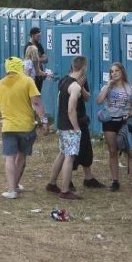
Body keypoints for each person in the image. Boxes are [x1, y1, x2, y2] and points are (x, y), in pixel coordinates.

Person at [0, 56, 49, 199]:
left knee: (9, 158)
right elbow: (36, 103)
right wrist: (44, 121)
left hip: (8, 126)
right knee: (21, 157)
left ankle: (11, 190)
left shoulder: (0, 84)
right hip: (26, 126)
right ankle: (15, 184)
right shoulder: (28, 81)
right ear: (19, 67)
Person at [45, 56, 89, 200]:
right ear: (83, 68)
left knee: (62, 153)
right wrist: (76, 128)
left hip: (62, 123)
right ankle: (65, 190)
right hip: (70, 126)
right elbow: (71, 109)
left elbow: (61, 103)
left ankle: (51, 183)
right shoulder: (75, 87)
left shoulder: (64, 80)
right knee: (69, 157)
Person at [96, 62, 132, 191]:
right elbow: (99, 101)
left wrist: (129, 115)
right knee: (113, 150)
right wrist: (108, 86)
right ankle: (115, 181)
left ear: (122, 72)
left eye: (116, 71)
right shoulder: (107, 87)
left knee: (129, 151)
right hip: (110, 121)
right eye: (111, 71)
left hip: (124, 121)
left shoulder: (131, 89)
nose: (113, 73)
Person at [24, 27, 48, 92]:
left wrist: (36, 59)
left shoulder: (39, 45)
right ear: (32, 35)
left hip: (39, 76)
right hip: (33, 77)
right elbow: (29, 66)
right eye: (38, 36)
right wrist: (38, 60)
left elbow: (46, 59)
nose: (39, 38)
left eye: (40, 36)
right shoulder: (28, 46)